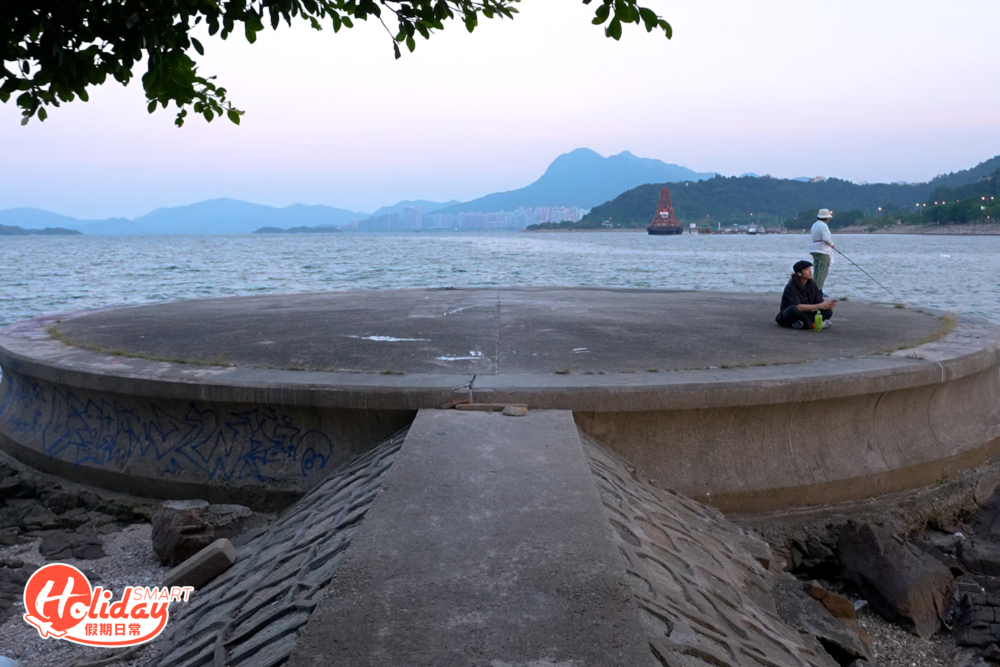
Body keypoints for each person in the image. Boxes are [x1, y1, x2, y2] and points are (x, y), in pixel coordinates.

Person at [776, 260, 835, 329]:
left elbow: (819, 302)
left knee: (828, 312)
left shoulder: (812, 284)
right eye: (806, 270)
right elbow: (798, 307)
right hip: (789, 314)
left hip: (805, 314)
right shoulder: (791, 286)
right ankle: (813, 325)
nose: (810, 272)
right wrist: (819, 305)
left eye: (810, 269)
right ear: (799, 273)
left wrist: (827, 305)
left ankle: (800, 324)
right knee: (793, 309)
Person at [809, 209, 835, 292]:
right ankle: (819, 290)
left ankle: (814, 289)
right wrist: (831, 244)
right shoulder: (824, 226)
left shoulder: (814, 225)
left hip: (814, 249)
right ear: (826, 218)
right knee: (823, 271)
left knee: (816, 271)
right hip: (822, 250)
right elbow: (826, 238)